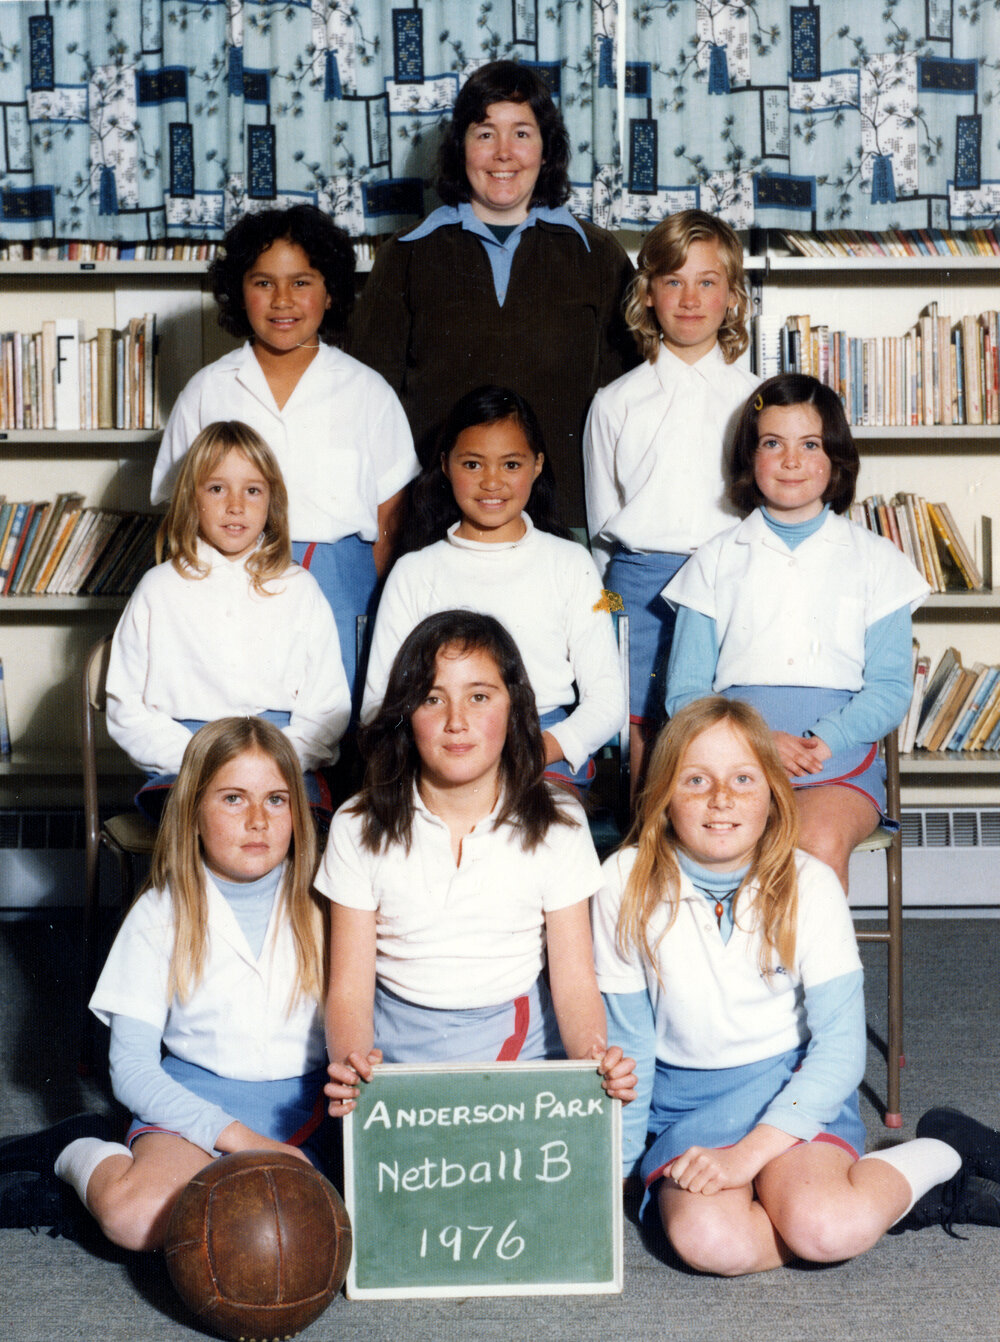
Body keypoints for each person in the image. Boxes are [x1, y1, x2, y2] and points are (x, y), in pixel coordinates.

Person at [592, 697, 978, 1275]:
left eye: (743, 779)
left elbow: (840, 1052)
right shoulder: (622, 881)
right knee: (712, 1246)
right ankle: (813, 1201)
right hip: (685, 1104)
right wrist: (616, 1168)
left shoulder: (811, 884)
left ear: (774, 794)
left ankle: (943, 1151)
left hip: (789, 1085)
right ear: (663, 794)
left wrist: (748, 1158)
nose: (721, 798)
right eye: (696, 779)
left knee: (826, 1230)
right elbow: (631, 1041)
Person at [14, 718, 333, 1252]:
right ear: (193, 813)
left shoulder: (330, 903)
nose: (258, 820)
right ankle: (74, 1152)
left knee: (320, 1235)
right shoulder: (160, 913)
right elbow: (132, 1070)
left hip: (311, 1106)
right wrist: (243, 1141)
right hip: (196, 1101)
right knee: (142, 1219)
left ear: (298, 815)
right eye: (234, 799)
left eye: (276, 800)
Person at [319, 611, 635, 1115]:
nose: (457, 721)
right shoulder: (357, 824)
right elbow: (350, 990)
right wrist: (354, 1067)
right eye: (432, 698)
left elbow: (574, 981)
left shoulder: (561, 824)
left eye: (479, 696)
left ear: (515, 709)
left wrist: (592, 1061)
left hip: (518, 1053)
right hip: (393, 1059)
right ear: (405, 714)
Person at [663, 374, 929, 890]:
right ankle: (726, 969)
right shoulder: (716, 559)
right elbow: (685, 692)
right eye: (772, 443)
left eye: (810, 445)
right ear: (750, 456)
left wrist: (825, 740)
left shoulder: (878, 561)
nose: (791, 460)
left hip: (836, 757)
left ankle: (811, 972)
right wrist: (756, 743)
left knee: (817, 841)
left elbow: (891, 688)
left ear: (836, 460)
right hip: (729, 754)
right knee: (715, 842)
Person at [347, 60, 637, 526]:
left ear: (547, 149)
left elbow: (634, 404)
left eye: (521, 133)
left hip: (569, 523)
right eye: (485, 133)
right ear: (460, 147)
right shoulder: (406, 256)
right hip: (436, 525)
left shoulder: (598, 256)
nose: (504, 153)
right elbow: (366, 405)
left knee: (603, 604)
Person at [150, 204, 420, 693]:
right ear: (239, 291)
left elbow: (391, 518)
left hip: (341, 585)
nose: (282, 300)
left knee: (335, 729)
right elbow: (181, 513)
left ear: (330, 290)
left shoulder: (368, 391)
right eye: (263, 283)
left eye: (301, 282)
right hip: (229, 586)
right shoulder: (208, 390)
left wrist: (359, 597)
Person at [360, 386, 625, 793]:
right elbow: (379, 705)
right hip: (446, 747)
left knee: (529, 836)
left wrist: (530, 753)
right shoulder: (414, 572)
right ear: (446, 465)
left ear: (537, 466)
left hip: (542, 749)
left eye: (511, 464)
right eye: (472, 464)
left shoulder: (572, 563)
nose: (492, 482)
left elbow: (607, 702)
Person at [583, 210, 759, 790]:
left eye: (707, 282)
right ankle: (644, 861)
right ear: (649, 294)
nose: (690, 298)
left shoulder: (758, 399)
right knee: (647, 740)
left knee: (724, 736)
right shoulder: (616, 402)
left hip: (731, 577)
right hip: (639, 587)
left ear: (732, 297)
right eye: (673, 281)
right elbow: (602, 527)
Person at [107, 421, 350, 822]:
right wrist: (198, 758)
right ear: (190, 498)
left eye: (252, 490)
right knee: (213, 826)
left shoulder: (299, 588)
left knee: (273, 829)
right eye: (217, 488)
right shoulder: (159, 589)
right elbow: (126, 707)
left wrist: (272, 762)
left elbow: (327, 709)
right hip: (186, 759)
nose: (235, 505)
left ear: (271, 501)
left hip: (280, 757)